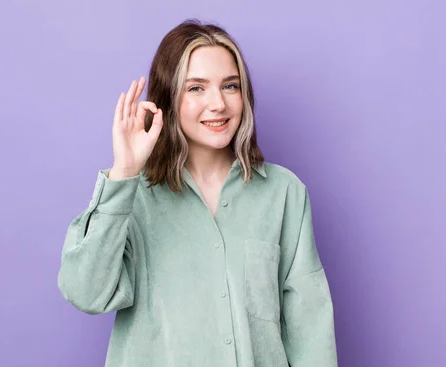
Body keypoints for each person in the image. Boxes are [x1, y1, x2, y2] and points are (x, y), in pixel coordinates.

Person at [57, 19, 338, 367]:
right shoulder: (133, 195)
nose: (218, 103)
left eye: (230, 86)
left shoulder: (284, 193)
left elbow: (309, 327)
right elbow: (87, 293)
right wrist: (124, 173)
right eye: (196, 88)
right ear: (168, 99)